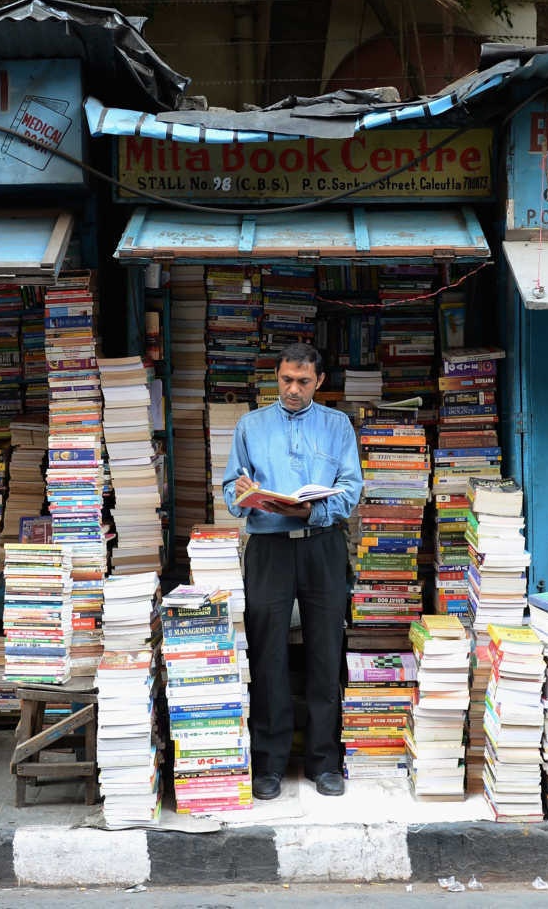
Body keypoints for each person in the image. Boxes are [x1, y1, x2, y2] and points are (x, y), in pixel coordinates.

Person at [223, 342, 363, 800]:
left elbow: (349, 490)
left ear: (319, 382)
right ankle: (269, 764)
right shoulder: (250, 425)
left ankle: (325, 763)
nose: (293, 389)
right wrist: (243, 493)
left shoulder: (338, 425)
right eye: (286, 380)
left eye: (303, 381)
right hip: (268, 550)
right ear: (276, 377)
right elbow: (229, 489)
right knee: (268, 657)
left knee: (326, 653)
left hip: (322, 546)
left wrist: (311, 513)